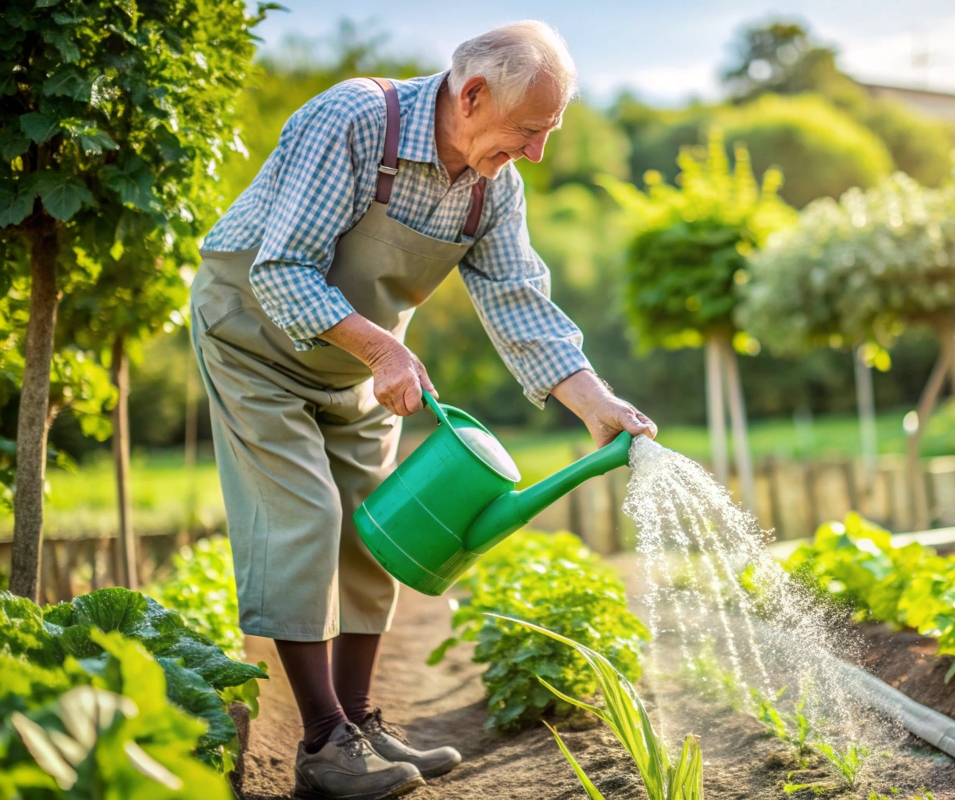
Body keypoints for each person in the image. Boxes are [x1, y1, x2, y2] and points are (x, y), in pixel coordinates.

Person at [191, 20, 657, 799]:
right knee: (305, 515)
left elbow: (519, 303)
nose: (538, 152)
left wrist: (595, 400)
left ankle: (361, 723)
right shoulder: (351, 122)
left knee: (383, 529)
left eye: (549, 133)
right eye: (530, 130)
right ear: (471, 95)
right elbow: (280, 269)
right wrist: (384, 352)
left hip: (363, 365)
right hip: (255, 343)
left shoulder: (492, 186)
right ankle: (321, 743)